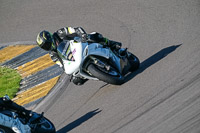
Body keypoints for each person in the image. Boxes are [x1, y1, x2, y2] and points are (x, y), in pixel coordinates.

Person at [36, 27, 122, 85]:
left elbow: (76, 29)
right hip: (75, 57)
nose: (47, 47)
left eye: (47, 44)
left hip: (81, 43)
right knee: (76, 81)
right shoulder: (53, 55)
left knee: (94, 36)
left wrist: (83, 35)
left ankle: (111, 43)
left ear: (50, 38)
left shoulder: (59, 33)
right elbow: (62, 64)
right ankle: (98, 73)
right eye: (45, 47)